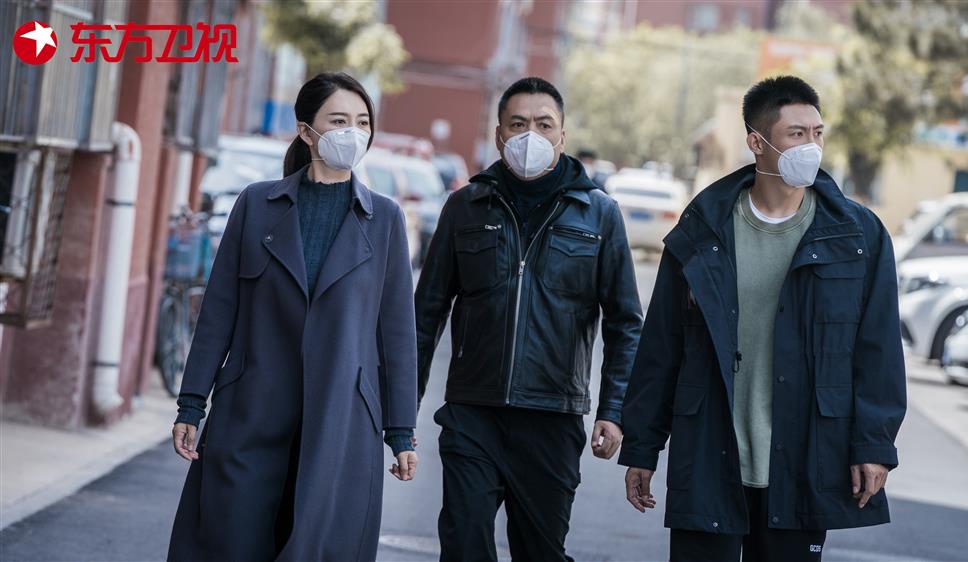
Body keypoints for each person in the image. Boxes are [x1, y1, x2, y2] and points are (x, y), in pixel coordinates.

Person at [619, 75, 907, 562]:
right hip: (709, 453)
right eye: (796, 134)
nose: (811, 146)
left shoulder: (858, 236)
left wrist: (874, 446)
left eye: (817, 133)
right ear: (757, 142)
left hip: (804, 458)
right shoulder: (702, 229)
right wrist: (642, 449)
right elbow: (662, 347)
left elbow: (877, 351)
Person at [167, 71, 419, 561]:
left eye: (362, 122)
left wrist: (401, 431)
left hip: (341, 419)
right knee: (232, 540)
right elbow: (219, 311)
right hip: (251, 408)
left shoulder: (385, 219)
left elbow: (397, 335)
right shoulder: (256, 204)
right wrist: (191, 403)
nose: (353, 133)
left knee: (316, 545)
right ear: (306, 130)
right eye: (339, 121)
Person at [414, 76, 643, 561]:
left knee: (540, 552)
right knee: (463, 544)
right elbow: (425, 314)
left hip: (552, 418)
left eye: (544, 124)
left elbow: (626, 323)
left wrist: (614, 410)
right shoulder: (465, 207)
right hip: (472, 412)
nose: (530, 135)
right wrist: (402, 409)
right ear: (499, 135)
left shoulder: (599, 215)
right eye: (518, 125)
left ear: (562, 135)